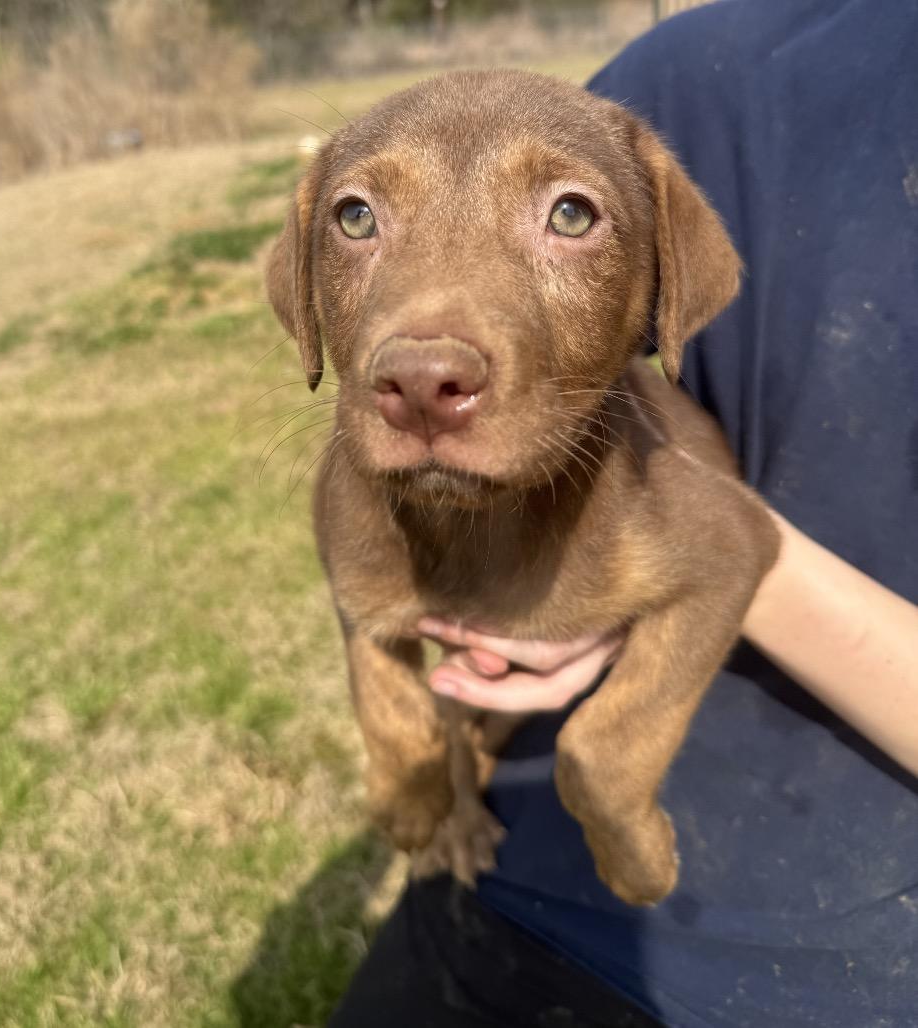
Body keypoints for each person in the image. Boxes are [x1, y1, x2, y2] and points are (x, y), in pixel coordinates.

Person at [328, 0, 918, 1024]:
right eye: (356, 218)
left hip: (839, 915)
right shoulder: (685, 69)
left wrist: (604, 761)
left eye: (567, 215)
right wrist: (408, 745)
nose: (423, 362)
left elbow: (726, 545)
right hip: (516, 867)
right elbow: (360, 590)